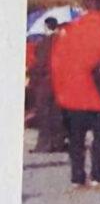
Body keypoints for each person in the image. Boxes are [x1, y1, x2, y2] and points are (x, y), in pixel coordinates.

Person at [50, 0, 100, 187]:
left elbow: (57, 63)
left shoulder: (70, 30)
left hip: (74, 93)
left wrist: (60, 91)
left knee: (76, 137)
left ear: (84, 9)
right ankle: (97, 174)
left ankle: (77, 176)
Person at [30, 18, 68, 153]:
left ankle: (44, 144)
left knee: (44, 114)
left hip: (45, 82)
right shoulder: (63, 42)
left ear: (46, 27)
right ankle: (58, 143)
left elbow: (39, 64)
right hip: (60, 83)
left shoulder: (43, 43)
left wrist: (33, 78)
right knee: (57, 114)